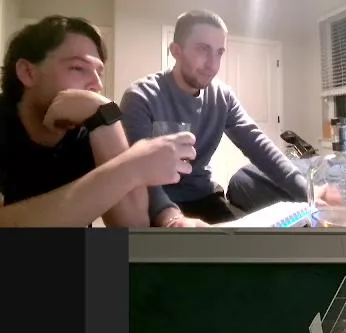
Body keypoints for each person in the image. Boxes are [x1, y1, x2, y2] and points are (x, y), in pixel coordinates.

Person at [0, 15, 199, 228]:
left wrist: (105, 116)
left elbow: (132, 228)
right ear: (28, 73)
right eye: (78, 68)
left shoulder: (88, 130)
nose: (96, 85)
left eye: (99, 73)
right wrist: (131, 167)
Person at [119, 10, 310, 224]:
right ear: (176, 51)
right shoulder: (140, 97)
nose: (213, 65)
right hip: (154, 203)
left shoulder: (222, 97)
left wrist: (309, 192)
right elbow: (139, 172)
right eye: (203, 49)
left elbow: (257, 144)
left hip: (205, 197)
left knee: (238, 243)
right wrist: (170, 217)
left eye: (219, 52)